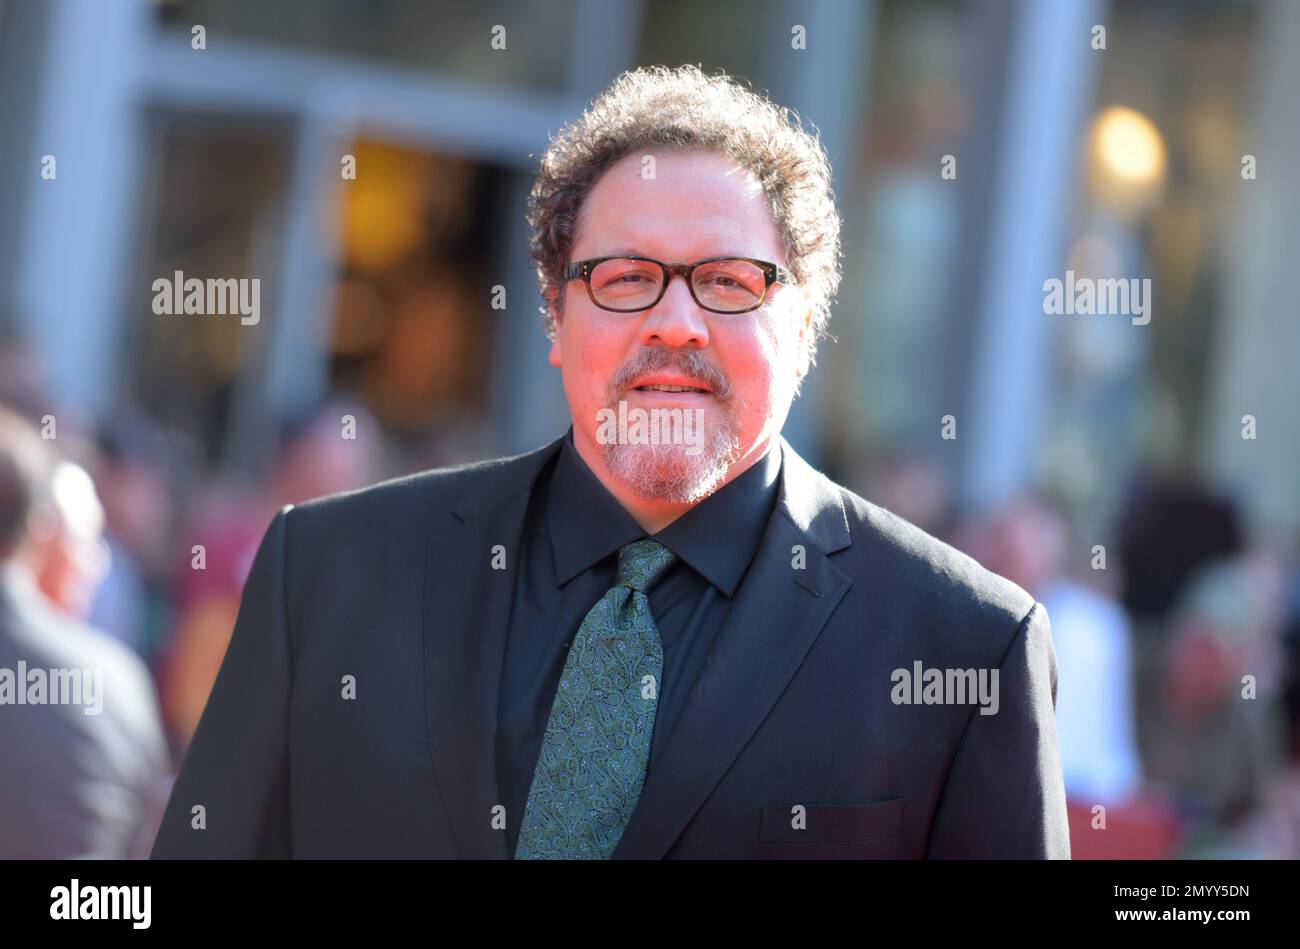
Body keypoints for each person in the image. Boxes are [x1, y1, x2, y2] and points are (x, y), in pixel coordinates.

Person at [153, 66, 1069, 859]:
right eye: (626, 277)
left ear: (804, 325)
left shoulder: (965, 647)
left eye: (727, 280)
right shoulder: (327, 573)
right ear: (556, 317)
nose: (674, 322)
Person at [0, 408, 170, 858]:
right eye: (79, 539)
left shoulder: (112, 683)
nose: (92, 564)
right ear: (36, 537)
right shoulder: (116, 685)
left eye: (99, 540)